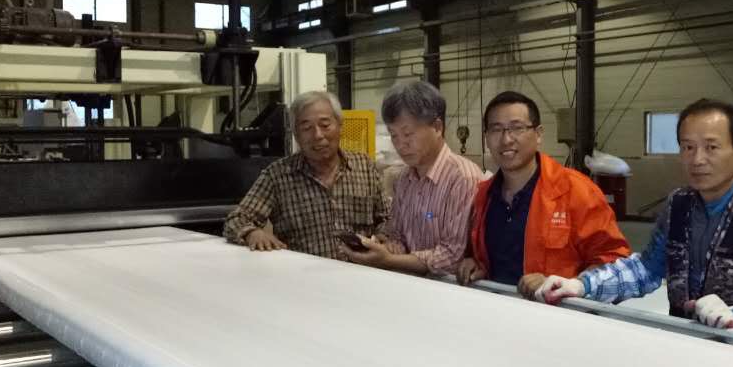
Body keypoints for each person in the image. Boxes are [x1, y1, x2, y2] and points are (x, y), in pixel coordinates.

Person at [535, 99, 733, 338]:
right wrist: (583, 285)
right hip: (683, 345)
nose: (697, 159)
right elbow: (646, 270)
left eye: (711, 147)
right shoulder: (679, 205)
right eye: (688, 147)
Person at [456, 91, 630, 298]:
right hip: (495, 308)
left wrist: (566, 284)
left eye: (517, 128)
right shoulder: (483, 196)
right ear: (486, 138)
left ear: (538, 134)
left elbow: (615, 263)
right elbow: (487, 255)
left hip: (557, 313)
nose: (506, 139)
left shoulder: (577, 191)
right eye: (496, 129)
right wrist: (476, 263)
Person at [223, 90, 388, 257]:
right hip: (303, 272)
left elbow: (387, 218)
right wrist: (253, 233)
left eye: (325, 125)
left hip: (361, 270)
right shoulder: (278, 175)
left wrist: (383, 236)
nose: (318, 135)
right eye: (306, 128)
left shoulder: (364, 166)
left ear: (340, 126)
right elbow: (236, 220)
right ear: (296, 134)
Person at [342, 80, 481, 275]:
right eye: (394, 135)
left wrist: (389, 260)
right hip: (409, 282)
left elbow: (451, 257)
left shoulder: (462, 178)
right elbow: (397, 234)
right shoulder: (404, 179)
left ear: (437, 127)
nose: (401, 145)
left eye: (408, 134)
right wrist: (390, 246)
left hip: (448, 288)